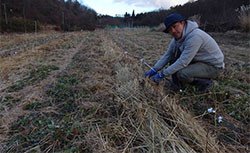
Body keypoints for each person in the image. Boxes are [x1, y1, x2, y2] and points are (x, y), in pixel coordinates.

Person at [144, 13, 224, 93]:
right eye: (170, 29)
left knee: (182, 73)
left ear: (183, 23)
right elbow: (167, 56)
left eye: (175, 26)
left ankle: (206, 83)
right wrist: (154, 69)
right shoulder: (177, 39)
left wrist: (163, 74)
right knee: (173, 60)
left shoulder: (195, 36)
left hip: (213, 66)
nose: (173, 31)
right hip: (199, 61)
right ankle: (178, 85)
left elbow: (183, 62)